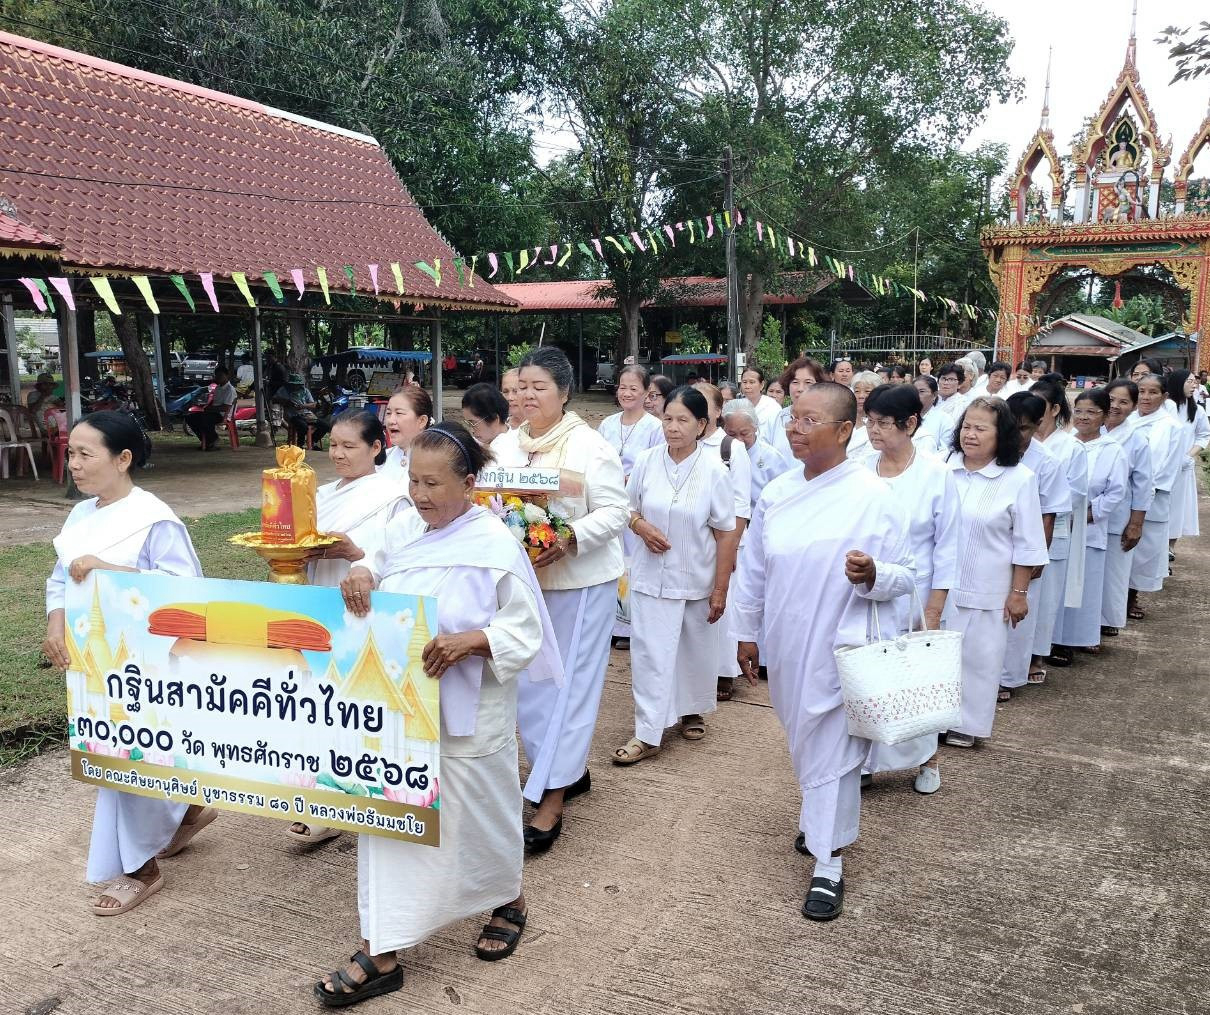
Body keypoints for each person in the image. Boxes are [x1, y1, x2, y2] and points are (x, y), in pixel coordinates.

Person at [325, 424, 562, 1006]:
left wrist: (474, 640)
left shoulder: (494, 544)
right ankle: (381, 947)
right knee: (390, 823)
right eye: (413, 480)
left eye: (433, 483)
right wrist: (361, 572)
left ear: (470, 484)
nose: (421, 494)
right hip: (401, 714)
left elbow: (525, 629)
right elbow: (374, 558)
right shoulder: (405, 525)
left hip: (471, 714)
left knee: (479, 818)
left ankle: (508, 899)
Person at [733, 382, 915, 921]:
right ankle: (819, 824)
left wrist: (874, 573)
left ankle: (829, 863)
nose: (795, 428)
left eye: (811, 421)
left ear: (844, 431)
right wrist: (746, 632)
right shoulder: (778, 493)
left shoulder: (873, 496)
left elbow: (906, 576)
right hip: (788, 645)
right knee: (804, 740)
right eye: (793, 418)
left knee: (833, 754)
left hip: (843, 642)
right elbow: (755, 569)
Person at [42, 411, 215, 916]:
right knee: (119, 753)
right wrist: (56, 627)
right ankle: (187, 813)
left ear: (123, 459)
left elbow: (184, 593)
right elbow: (61, 580)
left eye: (84, 454)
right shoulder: (81, 516)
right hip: (93, 656)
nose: (73, 464)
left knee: (128, 757)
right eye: (70, 452)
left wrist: (108, 569)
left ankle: (140, 868)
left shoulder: (154, 519)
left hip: (146, 663)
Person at [493, 347, 628, 852]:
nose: (527, 395)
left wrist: (568, 538)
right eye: (521, 385)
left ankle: (551, 796)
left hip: (580, 583)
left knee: (567, 686)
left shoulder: (590, 446)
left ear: (564, 392)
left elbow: (616, 512)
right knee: (530, 685)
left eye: (539, 386)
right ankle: (566, 769)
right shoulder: (505, 447)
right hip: (523, 585)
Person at [288, 410, 413, 845]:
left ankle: (359, 796)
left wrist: (353, 551)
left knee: (357, 700)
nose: (337, 454)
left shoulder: (394, 495)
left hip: (362, 604)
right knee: (319, 698)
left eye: (349, 446)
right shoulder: (317, 492)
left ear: (377, 448)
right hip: (318, 599)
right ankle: (326, 799)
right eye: (333, 445)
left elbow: (392, 555)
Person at [614, 386, 736, 763]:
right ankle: (647, 732)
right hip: (651, 577)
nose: (673, 427)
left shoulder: (715, 470)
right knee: (650, 654)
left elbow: (726, 532)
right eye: (667, 418)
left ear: (702, 425)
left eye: (683, 420)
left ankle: (691, 709)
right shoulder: (648, 461)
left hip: (696, 577)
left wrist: (720, 589)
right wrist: (639, 526)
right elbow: (624, 507)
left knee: (694, 651)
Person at [860, 384, 959, 793]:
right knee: (868, 679)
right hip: (868, 591)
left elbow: (947, 546)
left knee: (915, 682)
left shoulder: (937, 474)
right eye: (869, 421)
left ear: (911, 424)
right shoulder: (861, 468)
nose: (873, 431)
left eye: (883, 423)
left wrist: (933, 610)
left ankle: (928, 758)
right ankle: (863, 761)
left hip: (916, 594)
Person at [942, 397, 1048, 747]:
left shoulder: (1019, 478)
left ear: (999, 434)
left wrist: (1018, 593)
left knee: (979, 660)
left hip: (988, 586)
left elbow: (1028, 541)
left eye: (980, 428)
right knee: (938, 657)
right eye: (966, 427)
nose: (970, 435)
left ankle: (968, 725)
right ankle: (933, 721)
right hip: (940, 585)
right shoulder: (944, 469)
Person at [999, 392, 1067, 693]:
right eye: (1011, 426)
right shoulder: (995, 451)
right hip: (995, 541)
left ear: (1039, 424)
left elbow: (1048, 516)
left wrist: (1037, 558)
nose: (1017, 434)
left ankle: (1008, 677)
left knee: (1017, 616)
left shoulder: (1047, 461)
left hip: (1027, 547)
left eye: (1024, 428)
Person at [1051, 389, 1128, 656]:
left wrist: (1085, 517)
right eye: (1079, 411)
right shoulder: (1064, 445)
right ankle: (1051, 638)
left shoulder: (1113, 450)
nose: (1084, 417)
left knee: (1083, 588)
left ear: (1105, 416)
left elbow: (1116, 492)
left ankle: (1072, 640)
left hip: (1089, 529)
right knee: (1057, 587)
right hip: (1059, 526)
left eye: (1092, 412)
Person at [693, 382, 751, 703]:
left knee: (722, 605)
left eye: (704, 404)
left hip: (724, 538)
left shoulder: (730, 448)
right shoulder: (678, 444)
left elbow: (742, 503)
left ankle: (724, 670)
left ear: (717, 411)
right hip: (691, 539)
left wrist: (732, 546)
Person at [598, 364, 665, 646]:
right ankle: (608, 624)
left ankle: (629, 627)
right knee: (608, 561)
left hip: (636, 505)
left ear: (646, 392)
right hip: (608, 500)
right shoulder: (607, 424)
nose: (627, 393)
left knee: (632, 564)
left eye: (633, 388)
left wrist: (631, 478)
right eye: (622, 387)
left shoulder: (654, 427)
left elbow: (657, 466)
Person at [1030, 378, 1089, 672]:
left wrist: (1041, 505)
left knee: (1046, 596)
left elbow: (1075, 493)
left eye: (1039, 407)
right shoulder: (1021, 444)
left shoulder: (1070, 448)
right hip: (1020, 529)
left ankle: (1038, 654)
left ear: (1054, 409)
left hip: (1055, 526)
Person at [1127, 373, 1183, 618]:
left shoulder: (1172, 427)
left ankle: (1131, 598)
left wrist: (1141, 492)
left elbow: (1165, 467)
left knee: (1142, 553)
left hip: (1151, 498)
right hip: (1121, 495)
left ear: (1165, 396)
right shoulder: (1126, 420)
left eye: (1153, 392)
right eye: (1141, 391)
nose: (1146, 397)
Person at [1100, 379, 1152, 637]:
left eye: (1123, 402)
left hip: (1119, 517)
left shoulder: (1137, 439)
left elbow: (1143, 486)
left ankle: (1109, 619)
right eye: (1111, 400)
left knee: (1114, 575)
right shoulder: (1090, 430)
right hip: (1088, 517)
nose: (1115, 406)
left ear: (1133, 407)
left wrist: (1136, 524)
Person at [1162, 369, 1210, 554]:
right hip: (1163, 465)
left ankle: (1170, 547)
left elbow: (1203, 435)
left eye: (1194, 382)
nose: (1194, 385)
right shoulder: (1165, 408)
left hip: (1183, 466)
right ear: (1177, 383)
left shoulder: (1196, 410)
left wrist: (1189, 456)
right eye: (1189, 381)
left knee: (1177, 506)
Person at [723, 399, 792, 503]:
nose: (739, 440)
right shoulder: (718, 454)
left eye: (744, 433)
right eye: (732, 434)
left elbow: (784, 495)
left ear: (755, 427)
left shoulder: (772, 457)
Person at [764, 356, 824, 461]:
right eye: (795, 382)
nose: (800, 389)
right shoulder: (777, 418)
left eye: (808, 383)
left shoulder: (826, 419)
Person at [379, 386, 432, 480]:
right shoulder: (382, 460)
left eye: (399, 413)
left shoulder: (436, 462)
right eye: (388, 413)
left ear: (422, 421)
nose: (391, 420)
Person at [185, 366, 237, 450]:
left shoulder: (229, 389)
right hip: (214, 412)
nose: (218, 377)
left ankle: (214, 439)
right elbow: (214, 402)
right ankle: (206, 440)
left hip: (223, 414)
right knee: (190, 417)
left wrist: (211, 409)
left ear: (227, 376)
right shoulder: (218, 388)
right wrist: (207, 407)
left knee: (204, 418)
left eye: (221, 375)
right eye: (217, 375)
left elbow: (225, 407)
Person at [273, 372, 330, 447]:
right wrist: (287, 402)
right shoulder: (284, 390)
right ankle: (300, 444)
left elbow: (313, 404)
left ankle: (312, 440)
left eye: (297, 384)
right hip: (293, 415)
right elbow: (275, 399)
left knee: (325, 426)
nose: (296, 386)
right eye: (294, 385)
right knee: (303, 426)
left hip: (306, 414)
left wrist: (303, 406)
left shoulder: (305, 391)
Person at [912, 374, 953, 455]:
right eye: (914, 392)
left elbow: (946, 450)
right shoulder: (904, 417)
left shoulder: (945, 419)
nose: (916, 396)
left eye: (921, 392)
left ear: (934, 395)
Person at [461, 383, 511, 448]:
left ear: (495, 420)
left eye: (473, 423)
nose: (472, 430)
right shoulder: (476, 443)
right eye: (468, 423)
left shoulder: (511, 448)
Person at [848, 371, 880, 461]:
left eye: (867, 391)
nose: (861, 396)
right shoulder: (844, 421)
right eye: (857, 391)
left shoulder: (881, 427)